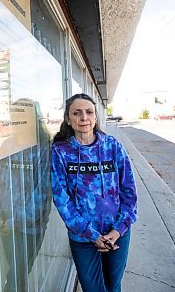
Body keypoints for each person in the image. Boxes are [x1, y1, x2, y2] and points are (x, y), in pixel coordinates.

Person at [50, 93, 137, 292]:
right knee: (93, 289)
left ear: (96, 117)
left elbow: (129, 191)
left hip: (117, 233)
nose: (84, 118)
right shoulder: (61, 152)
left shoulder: (112, 146)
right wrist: (91, 234)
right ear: (68, 119)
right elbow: (61, 199)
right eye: (77, 113)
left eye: (89, 112)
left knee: (113, 287)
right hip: (83, 236)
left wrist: (118, 229)